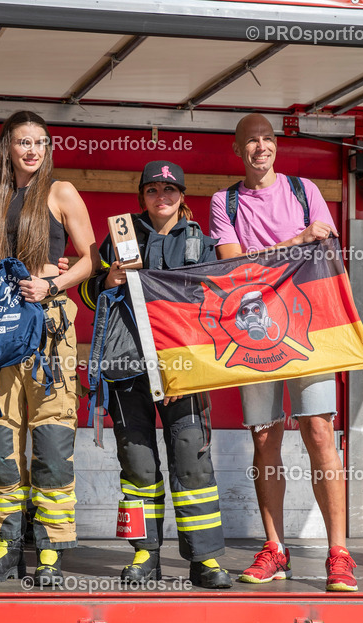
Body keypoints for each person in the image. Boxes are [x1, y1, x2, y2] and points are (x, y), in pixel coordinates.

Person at [210, 113, 363, 592]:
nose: (261, 147)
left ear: (276, 145)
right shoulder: (224, 201)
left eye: (267, 139)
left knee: (320, 433)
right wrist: (294, 242)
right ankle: (275, 548)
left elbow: (330, 267)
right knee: (265, 438)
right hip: (254, 335)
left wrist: (357, 327)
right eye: (251, 141)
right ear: (237, 149)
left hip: (311, 329)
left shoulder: (305, 191)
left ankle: (339, 554)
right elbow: (233, 268)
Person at [80, 161, 231, 589]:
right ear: (141, 196)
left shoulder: (202, 244)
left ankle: (205, 560)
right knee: (138, 466)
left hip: (183, 371)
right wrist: (107, 281)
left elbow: (213, 312)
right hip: (127, 369)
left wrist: (182, 373)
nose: (161, 197)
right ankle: (145, 554)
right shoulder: (120, 235)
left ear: (182, 196)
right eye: (152, 190)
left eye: (169, 190)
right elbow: (89, 293)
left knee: (192, 464)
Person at [0, 110, 97, 586]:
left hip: (49, 332)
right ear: (7, 147)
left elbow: (92, 258)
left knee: (51, 442)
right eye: (24, 142)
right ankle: (6, 544)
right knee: (0, 443)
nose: (32, 150)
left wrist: (53, 283)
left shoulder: (60, 192)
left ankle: (50, 550)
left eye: (40, 142)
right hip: (0, 333)